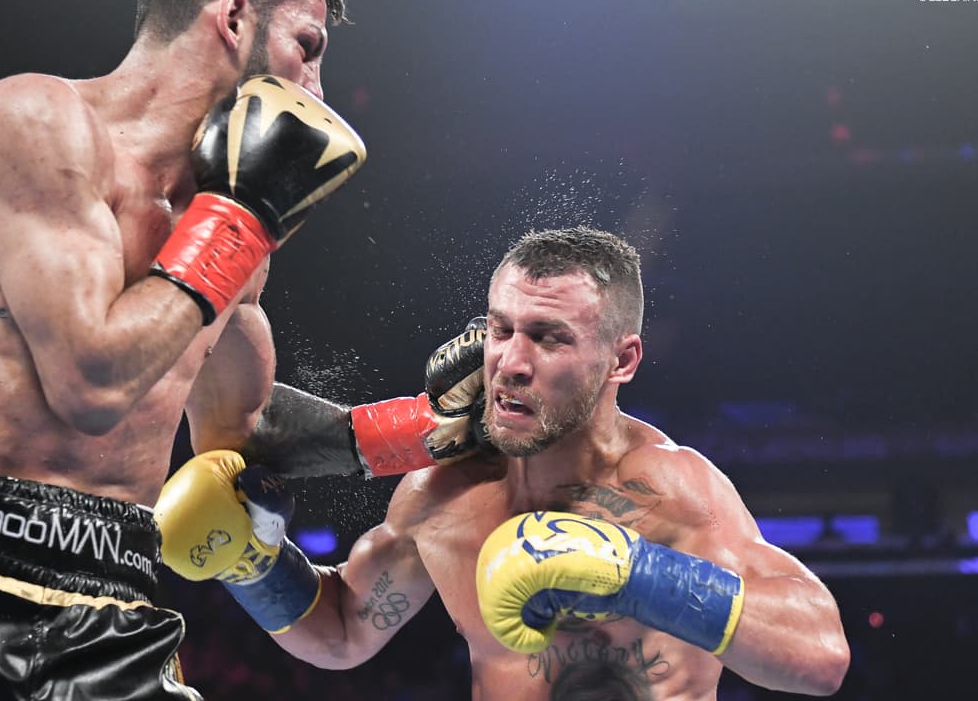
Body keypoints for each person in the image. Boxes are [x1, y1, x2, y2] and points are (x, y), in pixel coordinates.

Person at [0, 0, 489, 699]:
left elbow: (243, 425)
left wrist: (425, 430)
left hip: (114, 603)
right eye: (308, 46)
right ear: (233, 16)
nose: (317, 90)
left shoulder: (224, 218)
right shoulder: (34, 124)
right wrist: (242, 219)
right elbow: (91, 382)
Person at [154, 226, 852, 700]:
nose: (511, 363)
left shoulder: (672, 494)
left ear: (622, 360)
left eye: (549, 337)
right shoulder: (444, 497)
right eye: (500, 329)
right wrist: (255, 564)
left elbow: (821, 655)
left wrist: (640, 575)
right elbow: (340, 633)